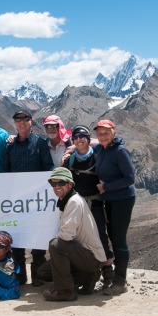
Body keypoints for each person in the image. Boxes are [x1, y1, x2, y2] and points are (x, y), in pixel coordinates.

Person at [0, 109, 54, 285]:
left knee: (38, 236)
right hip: (15, 202)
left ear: (31, 122)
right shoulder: (9, 145)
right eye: (18, 120)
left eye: (25, 119)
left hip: (36, 200)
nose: (21, 123)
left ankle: (38, 274)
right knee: (18, 237)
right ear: (15, 123)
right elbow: (4, 171)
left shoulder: (40, 143)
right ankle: (20, 274)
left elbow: (48, 166)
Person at [42, 167, 106, 301]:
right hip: (83, 255)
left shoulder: (74, 202)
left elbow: (67, 235)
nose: (57, 187)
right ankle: (87, 277)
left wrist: (54, 244)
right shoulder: (66, 200)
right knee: (43, 272)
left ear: (70, 184)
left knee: (55, 245)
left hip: (91, 257)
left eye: (61, 183)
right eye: (54, 184)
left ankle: (65, 291)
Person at [63, 125, 114, 287]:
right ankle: (87, 272)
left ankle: (108, 272)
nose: (79, 140)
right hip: (77, 207)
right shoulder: (69, 160)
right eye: (75, 137)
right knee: (79, 239)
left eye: (82, 136)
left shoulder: (99, 157)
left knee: (100, 236)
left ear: (88, 138)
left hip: (95, 204)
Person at [93, 119, 136, 296]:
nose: (103, 136)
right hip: (109, 200)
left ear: (113, 133)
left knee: (118, 239)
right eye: (100, 133)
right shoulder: (100, 149)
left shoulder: (120, 151)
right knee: (111, 235)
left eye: (106, 133)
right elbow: (88, 145)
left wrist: (106, 187)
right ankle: (116, 278)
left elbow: (130, 178)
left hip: (122, 199)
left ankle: (120, 281)